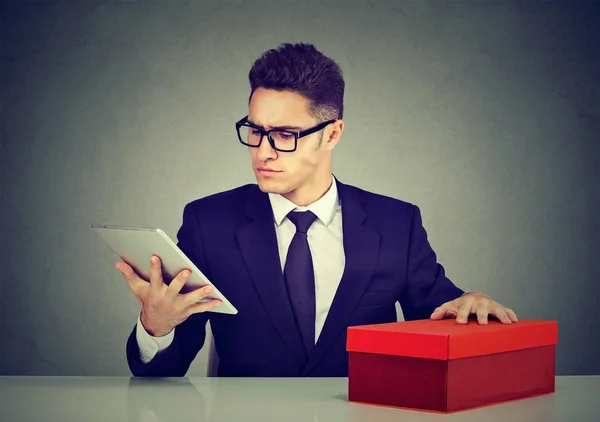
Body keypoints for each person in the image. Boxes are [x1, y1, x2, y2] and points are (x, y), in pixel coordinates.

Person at [117, 42, 518, 378]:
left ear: (332, 133)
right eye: (255, 130)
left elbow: (441, 316)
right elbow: (164, 370)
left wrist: (471, 303)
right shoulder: (210, 223)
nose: (262, 151)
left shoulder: (397, 223)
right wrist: (155, 325)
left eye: (285, 135)